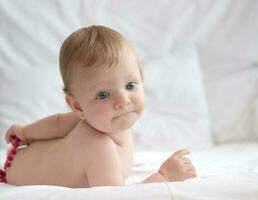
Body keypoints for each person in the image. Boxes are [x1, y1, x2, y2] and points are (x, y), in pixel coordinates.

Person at [1, 25, 197, 188]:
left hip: (23, 157)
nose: (123, 100)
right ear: (78, 106)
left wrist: (25, 132)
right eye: (103, 95)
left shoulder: (99, 120)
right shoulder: (98, 146)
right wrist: (164, 176)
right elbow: (114, 196)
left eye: (130, 85)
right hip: (16, 169)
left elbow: (58, 123)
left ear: (141, 79)